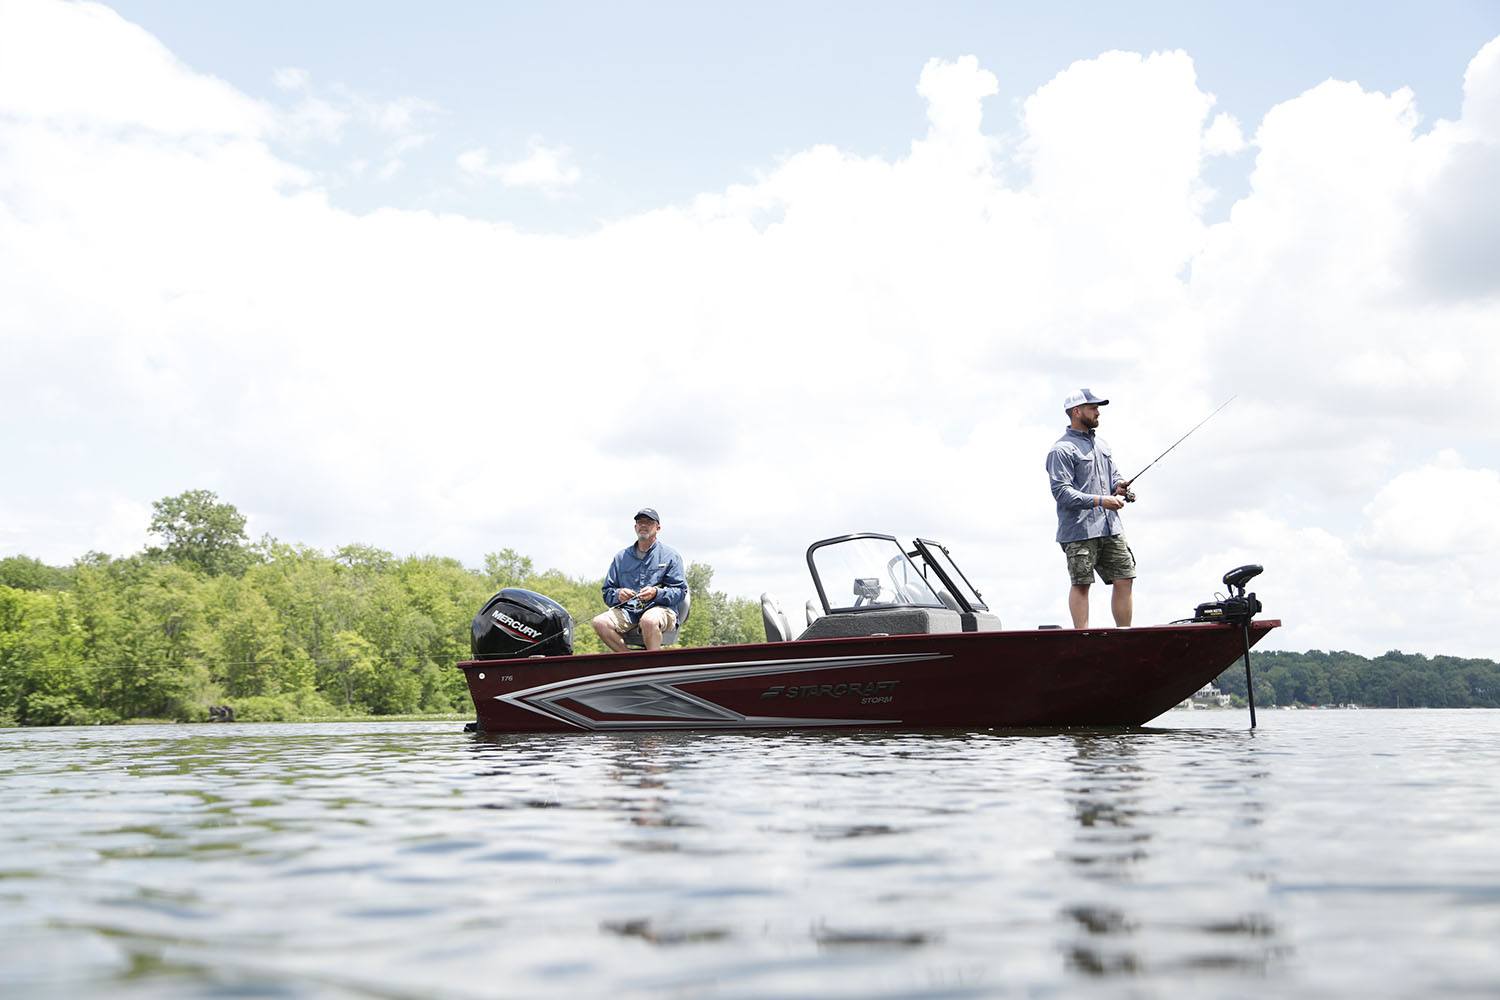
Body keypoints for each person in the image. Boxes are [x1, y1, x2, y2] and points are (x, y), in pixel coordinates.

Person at [1046, 389, 1137, 629]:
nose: (1098, 412)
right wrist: (1102, 501)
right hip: (1079, 531)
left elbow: (1113, 475)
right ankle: (1082, 637)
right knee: (1081, 583)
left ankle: (1124, 635)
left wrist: (1118, 485)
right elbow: (1062, 493)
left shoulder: (1102, 445)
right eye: (1093, 408)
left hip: (1111, 527)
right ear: (1077, 412)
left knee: (1125, 577)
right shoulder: (1061, 450)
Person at [592, 507, 688, 652]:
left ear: (658, 527)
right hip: (629, 612)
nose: (643, 525)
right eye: (640, 522)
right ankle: (630, 662)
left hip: (661, 609)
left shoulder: (671, 556)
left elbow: (680, 591)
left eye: (649, 522)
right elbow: (607, 592)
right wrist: (618, 594)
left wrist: (656, 593)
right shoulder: (620, 558)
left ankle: (653, 666)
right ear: (635, 527)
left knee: (649, 620)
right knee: (599, 622)